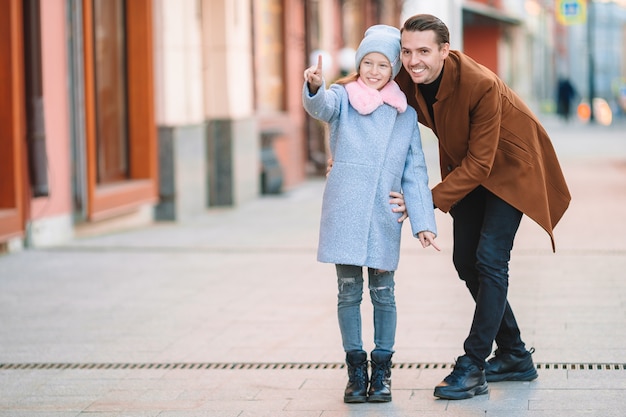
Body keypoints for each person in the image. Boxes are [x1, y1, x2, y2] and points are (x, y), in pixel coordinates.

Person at [394, 14, 571, 400]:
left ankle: (473, 365)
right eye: (406, 51)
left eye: (423, 51)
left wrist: (424, 201)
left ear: (445, 50)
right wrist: (324, 93)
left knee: (490, 258)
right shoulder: (410, 76)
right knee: (464, 261)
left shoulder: (481, 84)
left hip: (509, 168)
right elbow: (366, 89)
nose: (413, 60)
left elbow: (482, 164)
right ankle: (514, 356)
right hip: (471, 169)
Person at [302, 24, 440, 403]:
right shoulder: (342, 98)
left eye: (383, 64)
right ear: (359, 63)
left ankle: (382, 373)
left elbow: (415, 170)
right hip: (345, 210)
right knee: (348, 293)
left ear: (394, 68)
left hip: (383, 213)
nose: (374, 71)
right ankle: (355, 370)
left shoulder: (404, 114)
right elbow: (320, 107)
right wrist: (315, 85)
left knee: (384, 294)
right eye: (368, 62)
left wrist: (423, 222)